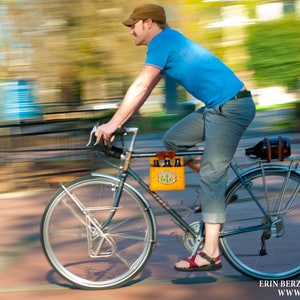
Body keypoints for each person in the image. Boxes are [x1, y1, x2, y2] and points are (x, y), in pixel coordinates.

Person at [95, 3, 256, 272]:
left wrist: (112, 124)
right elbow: (144, 92)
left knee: (211, 176)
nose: (131, 31)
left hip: (230, 107)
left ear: (148, 23)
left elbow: (140, 85)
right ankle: (216, 191)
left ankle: (210, 253)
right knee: (173, 141)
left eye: (133, 25)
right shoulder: (165, 43)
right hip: (217, 107)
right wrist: (119, 121)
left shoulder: (162, 41)